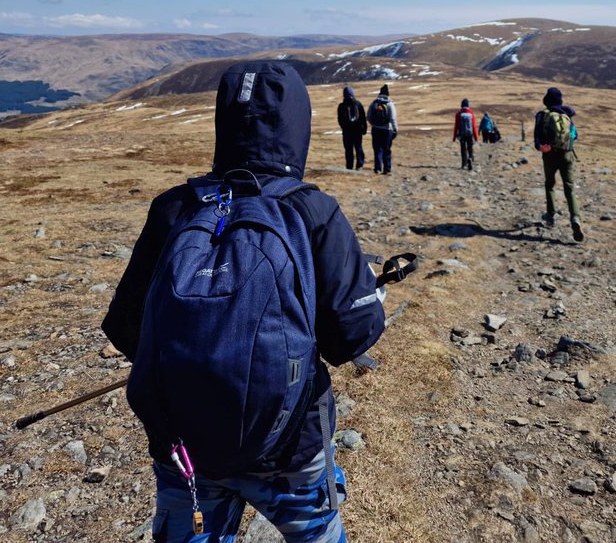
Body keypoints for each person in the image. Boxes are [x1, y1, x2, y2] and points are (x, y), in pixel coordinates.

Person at [102, 61, 386, 542]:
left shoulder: (174, 207)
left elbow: (127, 327)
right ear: (298, 124)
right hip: (290, 447)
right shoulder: (311, 209)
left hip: (181, 443)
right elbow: (351, 336)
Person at [534, 86, 584, 242]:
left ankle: (551, 215)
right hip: (567, 155)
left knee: (550, 185)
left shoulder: (542, 115)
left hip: (549, 155)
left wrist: (541, 146)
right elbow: (574, 136)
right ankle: (575, 218)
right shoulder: (567, 115)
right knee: (569, 187)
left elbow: (537, 137)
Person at [367, 84, 397, 175]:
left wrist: (374, 124)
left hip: (376, 129)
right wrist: (395, 129)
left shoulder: (374, 103)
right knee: (386, 149)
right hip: (387, 130)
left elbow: (368, 116)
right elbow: (393, 118)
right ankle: (387, 169)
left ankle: (377, 168)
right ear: (388, 94)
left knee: (377, 149)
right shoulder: (390, 104)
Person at [336, 86, 368, 170]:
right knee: (359, 147)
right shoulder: (358, 104)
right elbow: (363, 118)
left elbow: (340, 119)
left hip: (347, 132)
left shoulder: (341, 106)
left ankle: (349, 166)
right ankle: (359, 165)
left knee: (348, 149)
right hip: (357, 131)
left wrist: (344, 127)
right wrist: (364, 129)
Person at [452, 98, 478, 169]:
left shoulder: (458, 114)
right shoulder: (471, 113)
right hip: (470, 134)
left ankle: (464, 164)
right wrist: (476, 137)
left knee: (463, 149)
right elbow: (473, 126)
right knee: (470, 147)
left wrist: (454, 137)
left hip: (462, 134)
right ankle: (470, 159)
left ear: (461, 105)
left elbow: (456, 126)